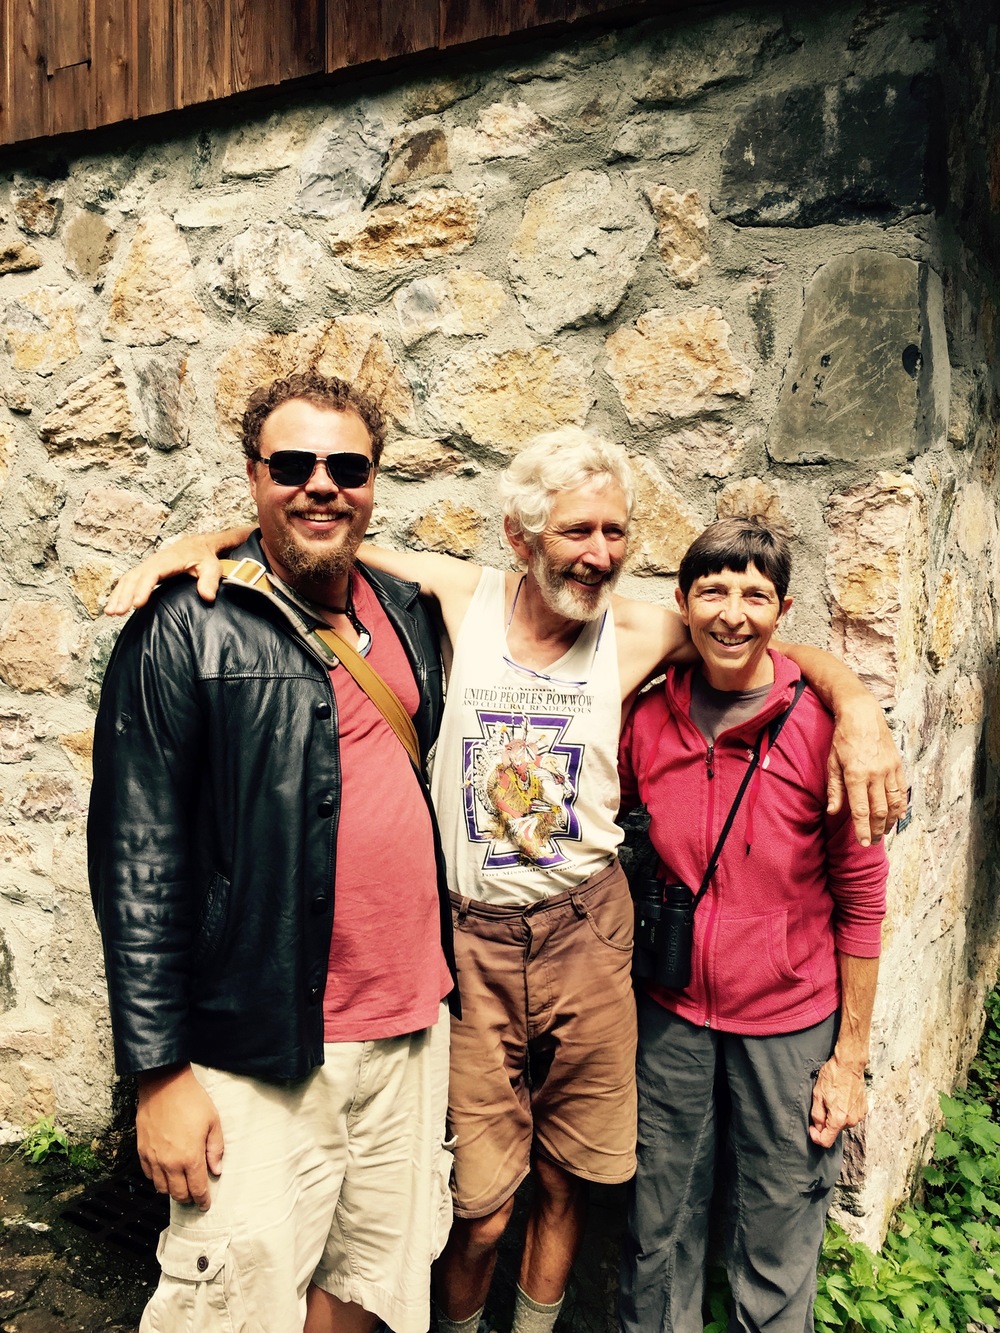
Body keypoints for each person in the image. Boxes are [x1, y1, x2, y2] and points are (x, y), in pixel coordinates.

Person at [106, 429, 906, 1333]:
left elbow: (765, 643)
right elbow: (321, 531)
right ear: (521, 535)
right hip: (473, 943)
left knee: (571, 1177)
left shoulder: (640, 628)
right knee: (479, 1207)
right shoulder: (456, 596)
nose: (599, 553)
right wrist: (198, 544)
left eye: (614, 531)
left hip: (589, 934)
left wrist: (859, 703)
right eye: (575, 531)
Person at [88, 371, 459, 1333]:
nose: (321, 484)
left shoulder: (411, 609)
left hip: (407, 1026)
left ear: (375, 481)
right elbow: (135, 858)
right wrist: (159, 1074)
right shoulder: (183, 626)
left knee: (367, 1284)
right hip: (259, 1046)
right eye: (292, 464)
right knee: (235, 1304)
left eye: (347, 466)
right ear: (253, 477)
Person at [617, 517, 889, 1333]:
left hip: (791, 1022)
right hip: (671, 1014)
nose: (733, 613)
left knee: (779, 1228)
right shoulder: (647, 714)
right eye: (713, 590)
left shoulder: (822, 729)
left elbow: (863, 894)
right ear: (683, 602)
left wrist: (851, 1055)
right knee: (654, 1227)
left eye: (755, 594)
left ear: (783, 611)